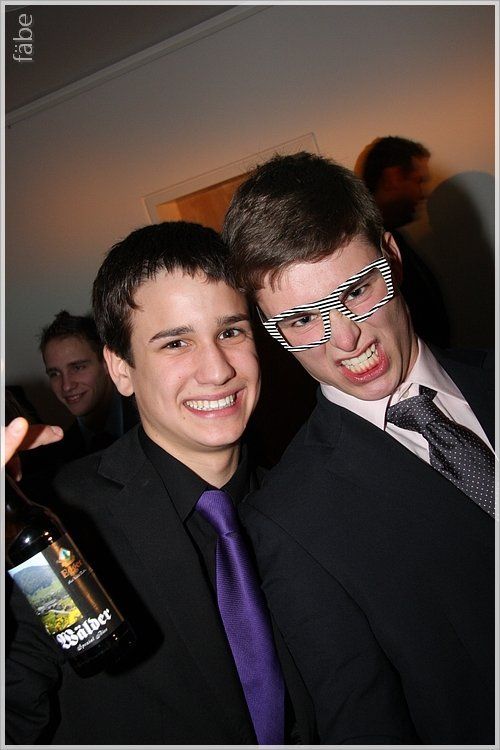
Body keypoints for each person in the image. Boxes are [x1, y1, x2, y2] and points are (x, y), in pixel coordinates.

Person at [5, 221, 314, 745]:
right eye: (176, 343)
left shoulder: (306, 503)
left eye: (231, 332)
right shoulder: (61, 524)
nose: (216, 370)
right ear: (120, 369)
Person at [222, 151, 495, 745]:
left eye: (356, 290)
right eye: (301, 320)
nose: (344, 338)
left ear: (391, 256)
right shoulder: (288, 523)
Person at [356, 135, 450, 347]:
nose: (423, 194)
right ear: (392, 178)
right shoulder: (371, 248)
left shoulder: (393, 238)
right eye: (418, 181)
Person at [39, 310, 139, 459]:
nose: (66, 386)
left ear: (107, 363)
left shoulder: (151, 422)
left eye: (77, 368)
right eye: (55, 374)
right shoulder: (57, 456)